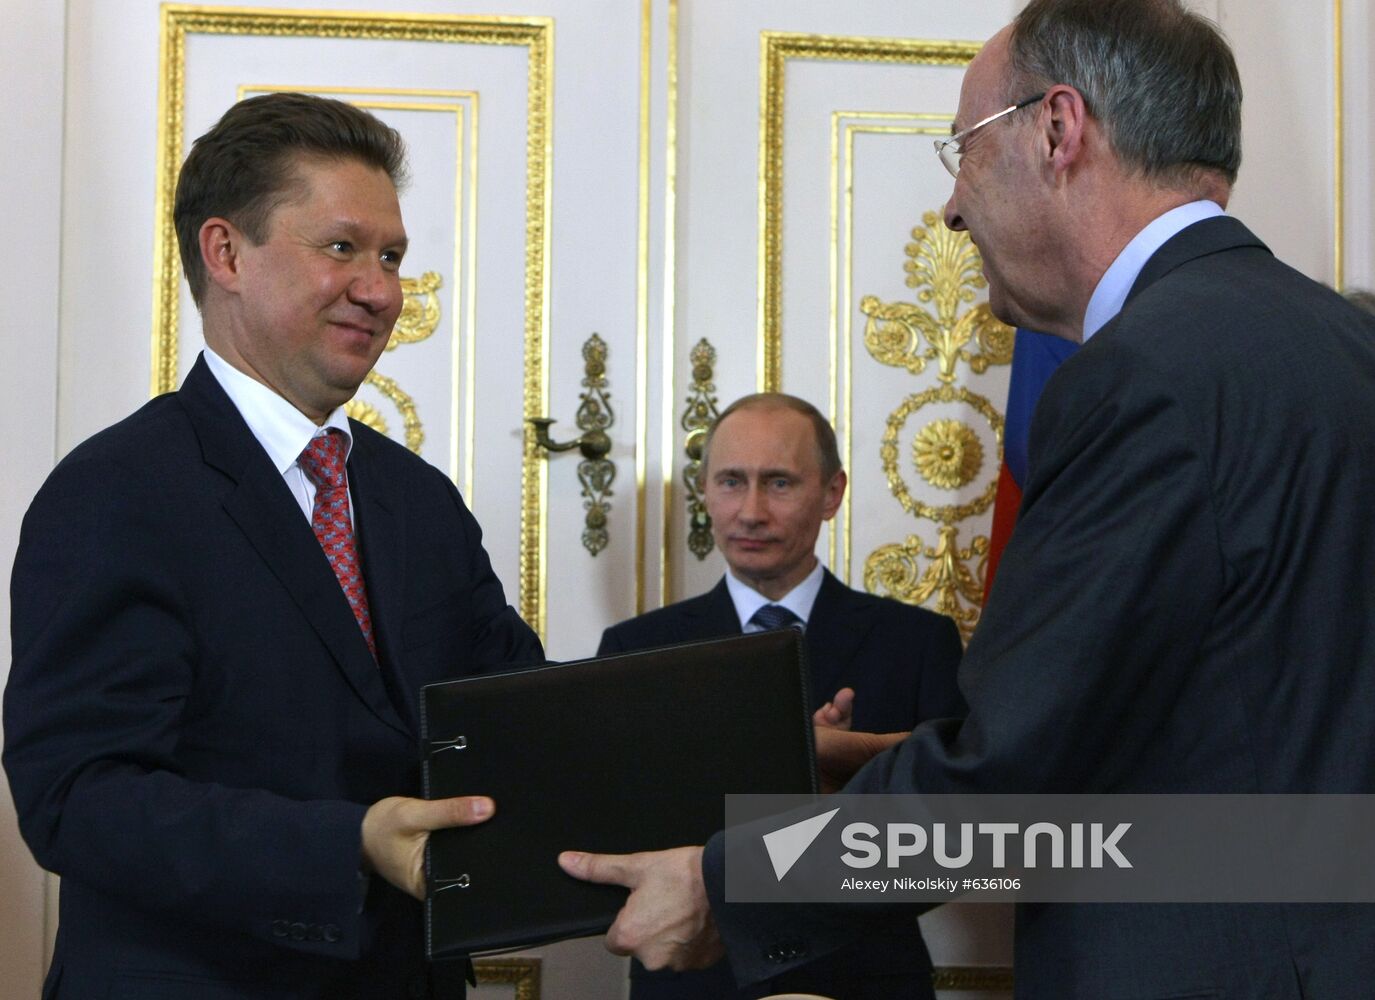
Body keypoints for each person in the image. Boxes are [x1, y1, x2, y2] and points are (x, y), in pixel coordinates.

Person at [558, 1, 1375, 997]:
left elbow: (1005, 781)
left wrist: (729, 884)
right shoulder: (1343, 346)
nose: (951, 208)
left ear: (1057, 129)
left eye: (964, 151)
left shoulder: (1145, 373)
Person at [3, 93, 540, 999]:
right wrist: (350, 842)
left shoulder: (420, 501)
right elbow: (77, 800)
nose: (381, 290)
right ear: (226, 253)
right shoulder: (116, 491)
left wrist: (716, 741)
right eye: (342, 248)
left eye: (392, 256)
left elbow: (515, 716)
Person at [598, 392, 965, 1000]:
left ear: (832, 494)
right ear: (705, 491)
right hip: (694, 982)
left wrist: (852, 791)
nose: (750, 511)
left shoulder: (918, 642)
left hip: (863, 977)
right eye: (731, 482)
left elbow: (963, 842)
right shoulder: (637, 650)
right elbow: (612, 832)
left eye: (779, 483)